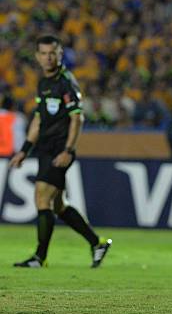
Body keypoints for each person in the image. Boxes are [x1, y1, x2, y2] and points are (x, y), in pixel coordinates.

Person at [9, 35, 112, 268]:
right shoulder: (43, 83)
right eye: (44, 53)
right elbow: (38, 118)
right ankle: (97, 244)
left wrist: (68, 150)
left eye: (52, 53)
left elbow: (77, 118)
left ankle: (39, 257)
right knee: (58, 206)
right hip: (45, 148)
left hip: (59, 149)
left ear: (60, 54)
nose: (48, 57)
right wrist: (24, 150)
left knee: (41, 198)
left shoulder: (66, 82)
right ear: (37, 56)